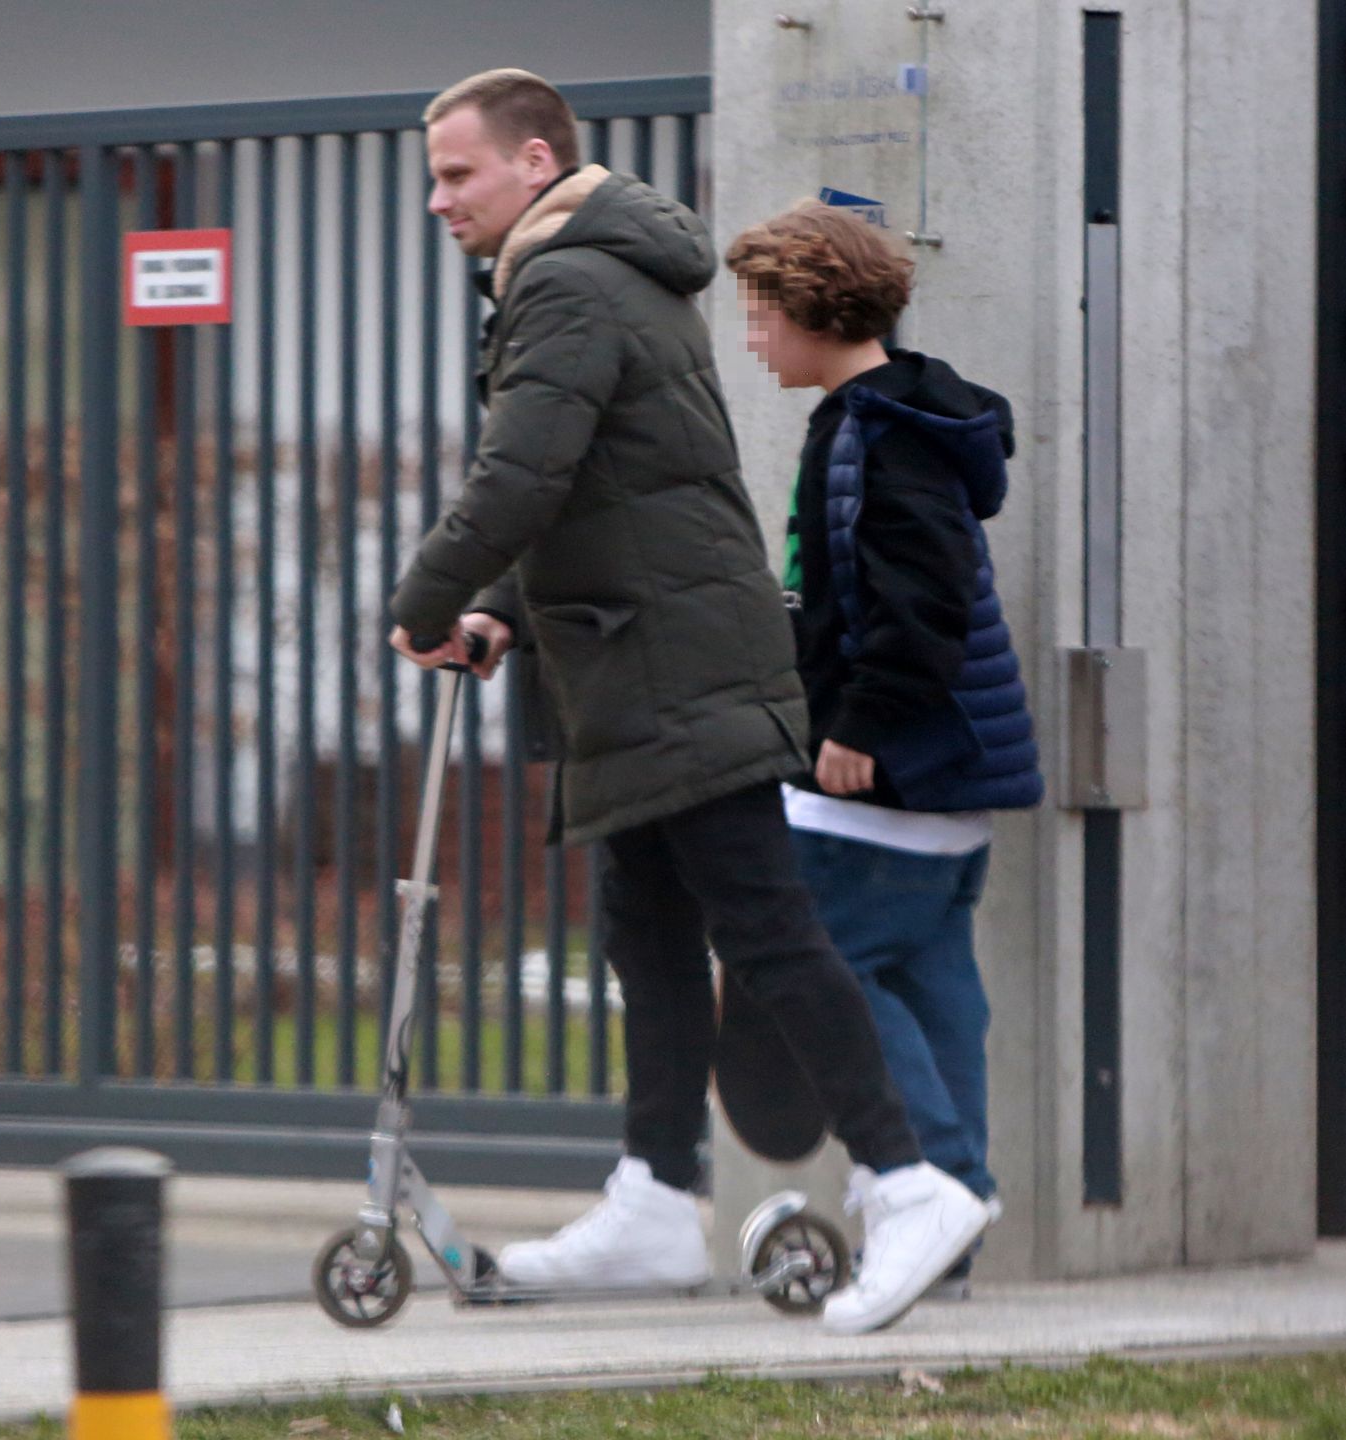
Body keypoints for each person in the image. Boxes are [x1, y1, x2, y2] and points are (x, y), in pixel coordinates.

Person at [386, 68, 989, 1335]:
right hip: (634, 662)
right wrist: (495, 605)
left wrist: (424, 596)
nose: (437, 198)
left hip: (674, 665)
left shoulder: (568, 282)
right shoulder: (595, 273)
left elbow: (520, 474)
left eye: (455, 173)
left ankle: (908, 1183)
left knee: (766, 931)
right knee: (647, 937)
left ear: (534, 162)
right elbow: (593, 484)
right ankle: (655, 1198)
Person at [726, 203, 1044, 1289]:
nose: (752, 339)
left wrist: (857, 724)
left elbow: (923, 605)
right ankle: (953, 1214)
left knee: (828, 975)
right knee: (934, 989)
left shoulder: (879, 437)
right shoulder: (894, 419)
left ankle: (925, 1188)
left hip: (885, 778)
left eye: (762, 316)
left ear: (815, 314)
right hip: (941, 786)